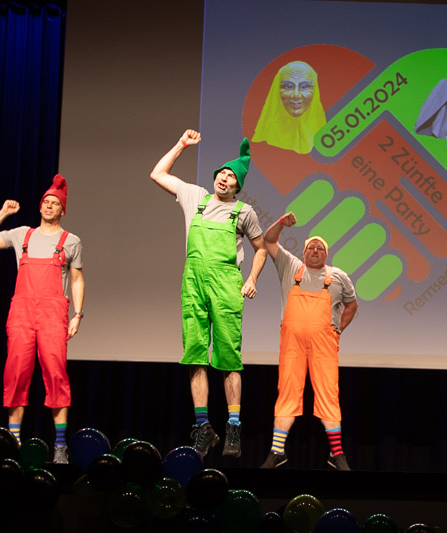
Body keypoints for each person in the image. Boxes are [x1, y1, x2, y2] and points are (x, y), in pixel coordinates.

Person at [150, 130, 267, 459]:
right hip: (194, 282)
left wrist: (252, 278)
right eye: (222, 173)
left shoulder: (244, 212)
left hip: (226, 283)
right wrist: (181, 145)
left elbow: (261, 249)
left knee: (229, 356)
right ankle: (203, 427)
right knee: (195, 355)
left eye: (231, 176)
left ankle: (233, 427)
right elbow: (158, 173)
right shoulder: (195, 198)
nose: (224, 178)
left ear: (237, 186)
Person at [0, 174, 84, 464]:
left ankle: (59, 445)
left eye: (55, 203)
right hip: (22, 313)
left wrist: (77, 314)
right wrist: (3, 213)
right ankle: (14, 441)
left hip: (53, 314)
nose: (49, 206)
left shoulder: (70, 241)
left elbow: (76, 279)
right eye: (45, 202)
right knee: (15, 373)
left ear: (63, 210)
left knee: (56, 374)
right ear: (40, 207)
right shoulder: (21, 234)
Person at [258, 213, 358, 470]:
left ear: (326, 254)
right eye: (311, 247)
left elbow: (351, 305)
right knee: (287, 393)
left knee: (328, 394)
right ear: (303, 253)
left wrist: (338, 330)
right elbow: (269, 240)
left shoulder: (338, 276)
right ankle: (277, 451)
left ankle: (337, 454)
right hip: (292, 344)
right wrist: (281, 223)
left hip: (324, 345)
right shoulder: (291, 267)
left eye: (320, 248)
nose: (315, 251)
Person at [252, 60, 327, 154]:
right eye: (288, 86)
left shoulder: (325, 137)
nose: (296, 95)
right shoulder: (265, 140)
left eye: (304, 87)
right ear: (276, 90)